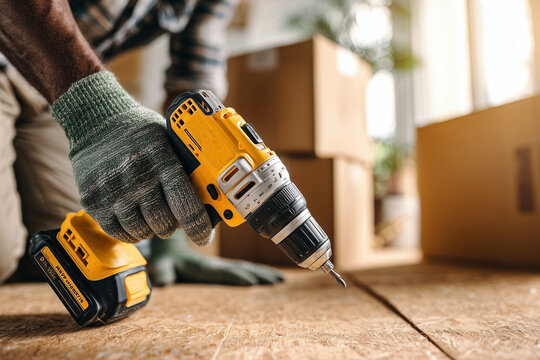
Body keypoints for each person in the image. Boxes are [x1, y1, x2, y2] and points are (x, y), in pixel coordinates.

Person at [0, 0, 283, 286]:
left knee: (70, 254)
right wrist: (95, 110)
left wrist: (171, 236)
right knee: (1, 256)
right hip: (41, 68)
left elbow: (192, 93)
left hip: (46, 87)